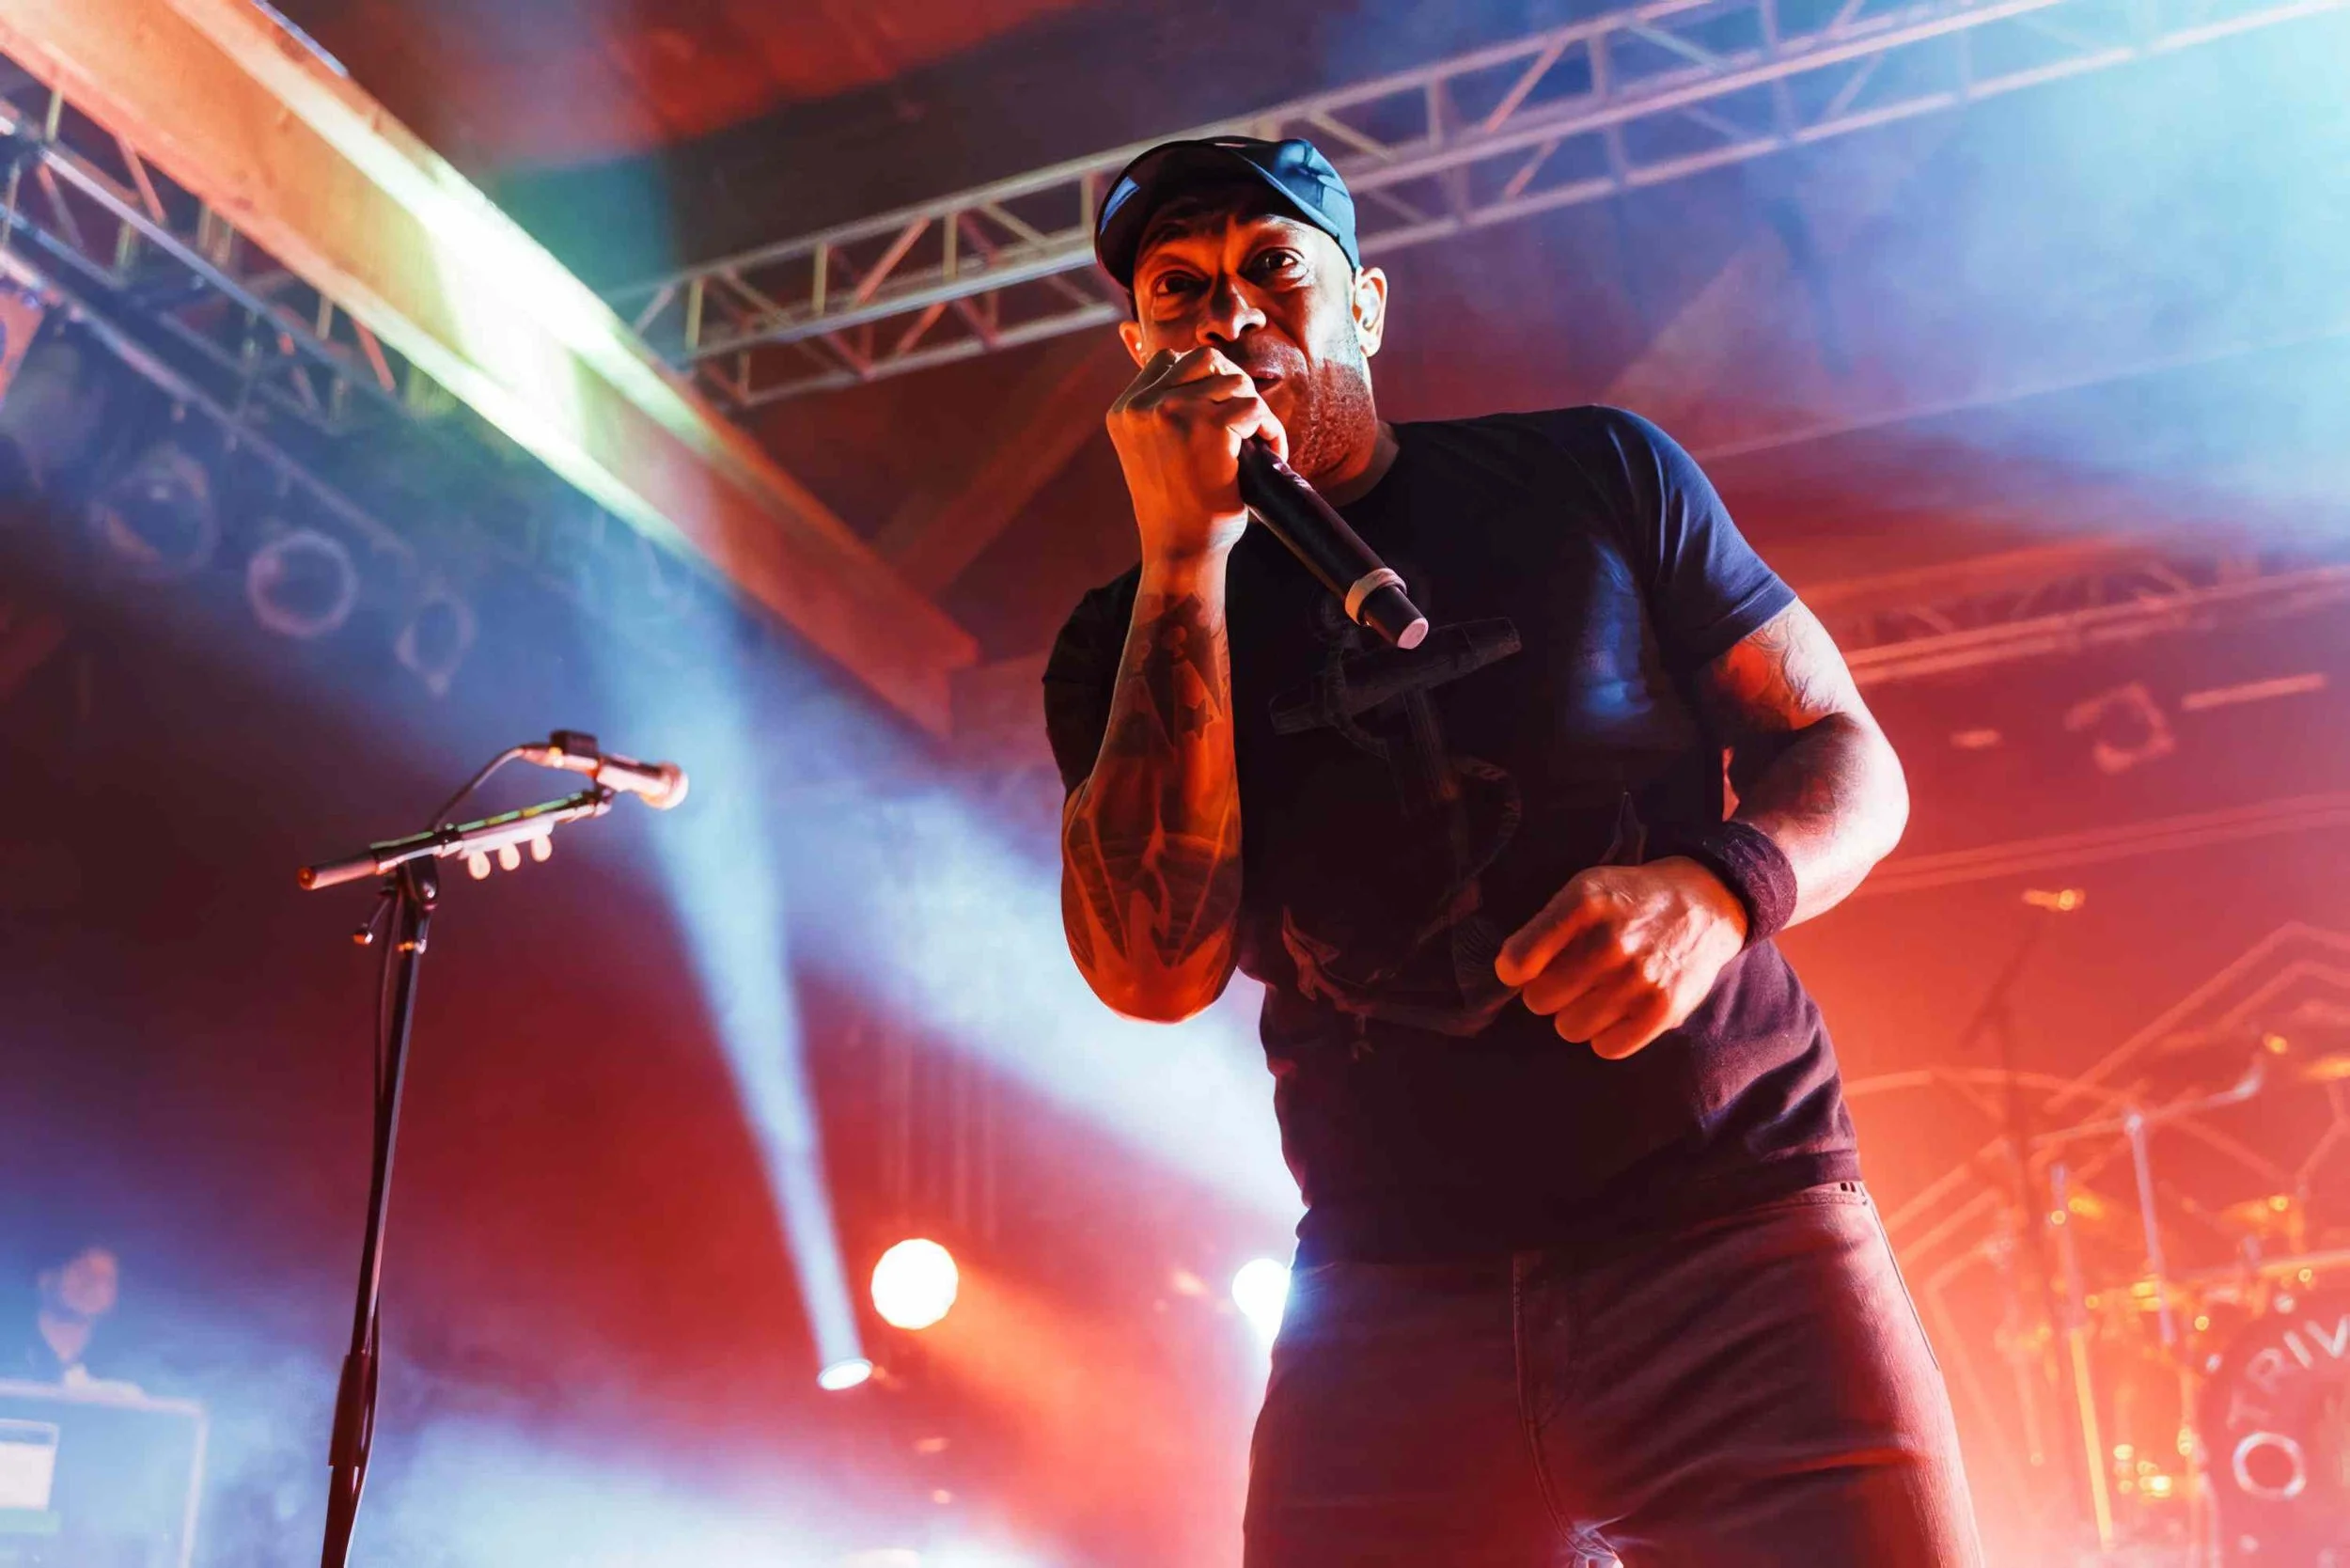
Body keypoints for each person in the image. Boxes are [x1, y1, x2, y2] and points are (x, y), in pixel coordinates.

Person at [1042, 136, 1982, 1566]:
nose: (1226, 310)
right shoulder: (1118, 638)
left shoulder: (1590, 474)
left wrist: (1719, 891)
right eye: (1177, 288)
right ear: (1138, 356)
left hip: (1734, 1240)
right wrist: (1185, 561)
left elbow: (1846, 751)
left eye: (1272, 265)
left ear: (1364, 306)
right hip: (1388, 1298)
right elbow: (1151, 974)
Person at [10, 1235, 122, 1384]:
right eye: (85, 1274)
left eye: (107, 1280)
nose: (95, 1288)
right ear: (47, 1278)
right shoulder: (11, 1340)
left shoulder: (125, 1356)